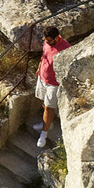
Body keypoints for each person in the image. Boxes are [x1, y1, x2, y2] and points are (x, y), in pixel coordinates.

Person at [36, 24, 67, 154]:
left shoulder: (65, 48)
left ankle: (44, 133)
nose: (46, 42)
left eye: (49, 40)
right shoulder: (47, 43)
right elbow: (44, 55)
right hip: (42, 78)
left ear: (56, 38)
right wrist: (39, 68)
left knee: (49, 107)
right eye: (45, 40)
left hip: (54, 83)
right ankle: (47, 123)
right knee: (44, 103)